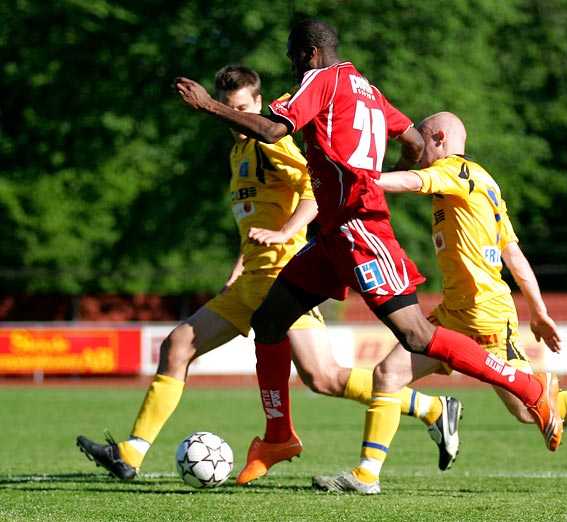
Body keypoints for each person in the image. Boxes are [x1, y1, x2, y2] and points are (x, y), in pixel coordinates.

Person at [173, 19, 562, 496]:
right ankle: (277, 437)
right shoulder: (369, 91)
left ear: (312, 53)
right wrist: (381, 176)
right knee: (270, 319)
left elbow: (274, 130)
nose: (291, 65)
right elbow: (415, 142)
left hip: (359, 231)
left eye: (294, 55)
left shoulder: (320, 80)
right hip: (334, 236)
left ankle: (531, 390)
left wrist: (209, 106)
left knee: (417, 335)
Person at [76, 65, 462, 485]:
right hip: (248, 283)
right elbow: (253, 220)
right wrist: (238, 267)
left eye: (242, 108)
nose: (236, 119)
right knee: (178, 345)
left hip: (284, 279)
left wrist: (284, 232)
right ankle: (130, 453)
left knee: (324, 378)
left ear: (258, 104)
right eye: (228, 110)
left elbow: (316, 193)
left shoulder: (270, 147)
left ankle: (433, 409)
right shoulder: (239, 152)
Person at [312, 112, 567, 493]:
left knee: (524, 408)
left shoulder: (454, 170)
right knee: (389, 374)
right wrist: (540, 312)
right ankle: (367, 475)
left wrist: (359, 178)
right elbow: (513, 255)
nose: (417, 153)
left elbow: (410, 181)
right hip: (455, 311)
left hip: (486, 314)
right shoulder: (487, 184)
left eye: (421, 144)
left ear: (438, 138)